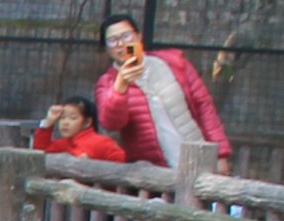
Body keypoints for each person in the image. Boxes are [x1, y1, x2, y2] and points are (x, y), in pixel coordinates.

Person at [94, 15, 232, 170]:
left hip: (198, 159)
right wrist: (120, 86)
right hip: (155, 171)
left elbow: (204, 108)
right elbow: (111, 123)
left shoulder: (175, 64)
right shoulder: (107, 83)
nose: (121, 44)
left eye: (126, 36)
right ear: (106, 48)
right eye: (112, 40)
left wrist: (221, 154)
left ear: (138, 37)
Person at [31, 94, 126, 161]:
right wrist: (48, 122)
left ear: (87, 122)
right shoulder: (65, 143)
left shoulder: (102, 143)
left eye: (73, 118)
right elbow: (41, 150)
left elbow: (122, 162)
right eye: (62, 118)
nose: (65, 123)